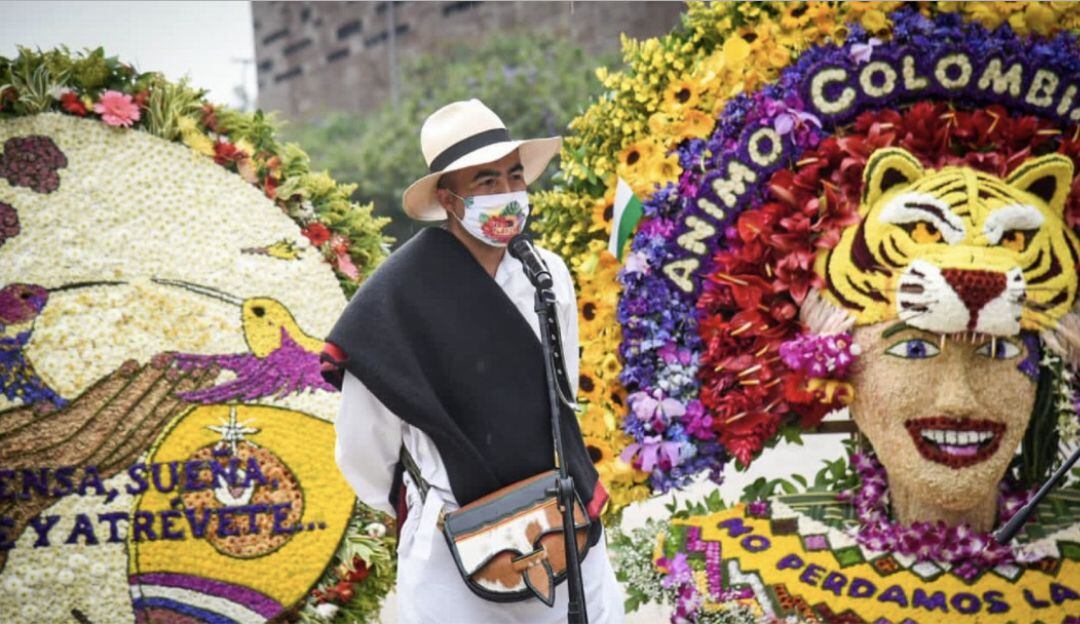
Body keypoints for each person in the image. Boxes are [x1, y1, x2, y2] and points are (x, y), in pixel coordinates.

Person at [320, 99, 625, 623]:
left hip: (562, 527)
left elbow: (562, 392)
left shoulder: (545, 276)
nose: (507, 195)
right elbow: (362, 451)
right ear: (449, 199)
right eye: (486, 183)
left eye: (513, 177)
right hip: (450, 546)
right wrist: (433, 497)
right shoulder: (395, 302)